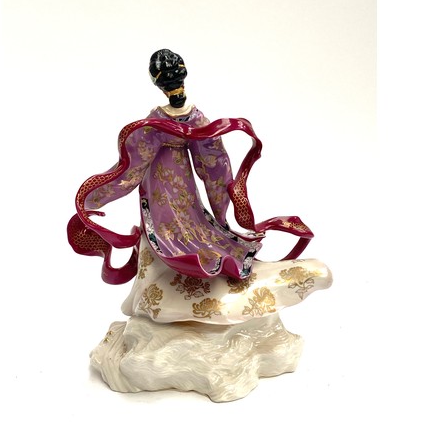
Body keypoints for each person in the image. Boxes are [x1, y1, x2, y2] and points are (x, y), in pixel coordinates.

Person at [67, 49, 331, 324]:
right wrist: (220, 204)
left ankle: (184, 266)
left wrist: (94, 198)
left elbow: (135, 165)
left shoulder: (160, 121)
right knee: (179, 215)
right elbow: (212, 163)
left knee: (180, 218)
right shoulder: (189, 118)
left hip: (167, 176)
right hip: (172, 174)